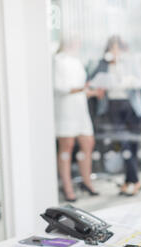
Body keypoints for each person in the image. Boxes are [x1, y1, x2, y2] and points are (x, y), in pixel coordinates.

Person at [90, 35, 141, 196]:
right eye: (111, 48)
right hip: (113, 106)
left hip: (131, 105)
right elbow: (92, 81)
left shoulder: (130, 62)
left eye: (117, 48)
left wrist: (124, 80)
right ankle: (135, 181)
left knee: (132, 145)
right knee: (124, 143)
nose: (114, 52)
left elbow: (140, 81)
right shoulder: (103, 64)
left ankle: (129, 181)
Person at [53, 38, 104, 202]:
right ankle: (67, 188)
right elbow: (59, 88)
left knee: (88, 142)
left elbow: (81, 88)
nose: (78, 44)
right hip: (65, 109)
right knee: (66, 146)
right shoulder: (57, 61)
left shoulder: (77, 61)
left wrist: (93, 92)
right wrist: (82, 88)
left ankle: (86, 182)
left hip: (80, 109)